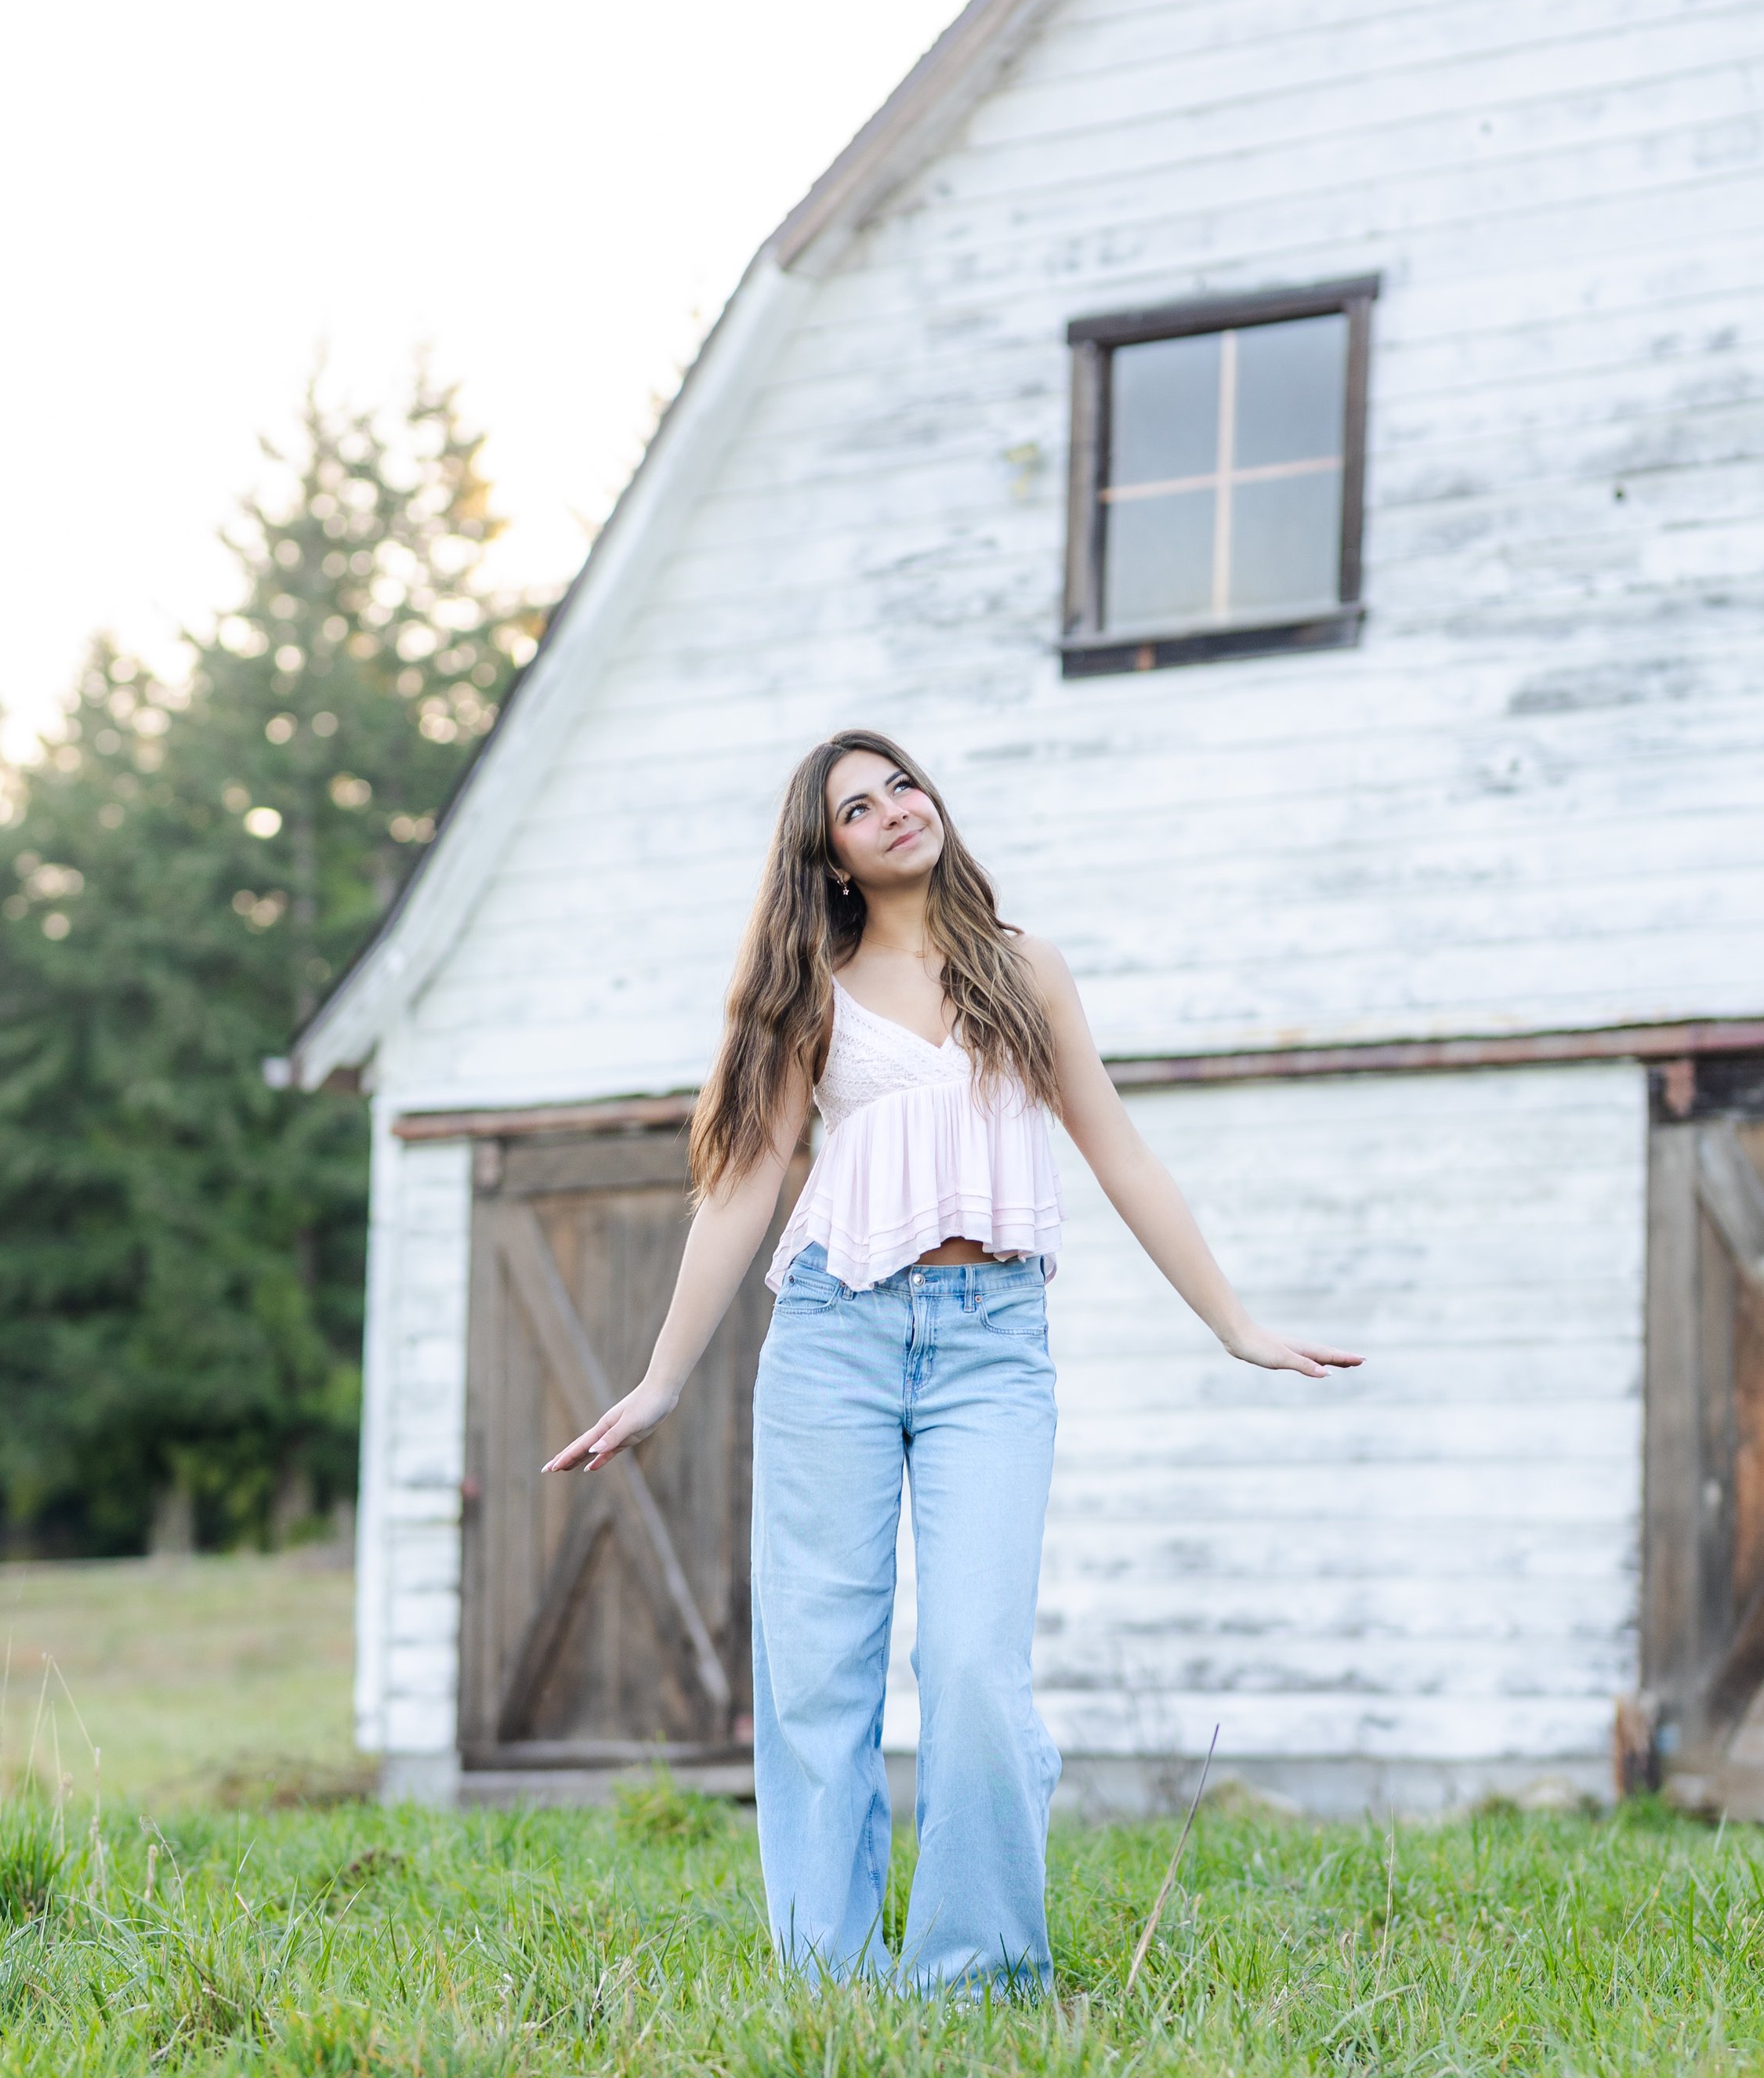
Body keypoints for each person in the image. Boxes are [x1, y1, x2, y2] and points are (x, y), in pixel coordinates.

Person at [546, 731, 1359, 1991]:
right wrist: (661, 1379)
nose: (892, 811)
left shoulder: (1023, 968)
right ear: (833, 856)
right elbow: (744, 1189)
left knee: (975, 1664)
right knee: (821, 1669)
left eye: (900, 785)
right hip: (835, 1334)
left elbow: (1118, 1149)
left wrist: (1232, 1321)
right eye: (857, 808)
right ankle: (830, 1980)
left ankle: (976, 1979)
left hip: (993, 1345)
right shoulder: (811, 992)